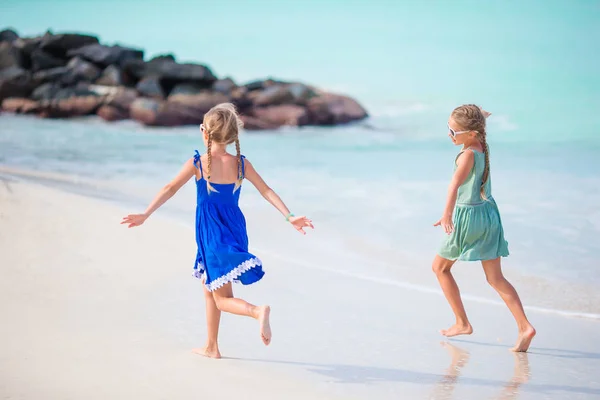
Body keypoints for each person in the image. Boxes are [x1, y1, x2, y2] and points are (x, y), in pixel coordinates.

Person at [121, 103, 314, 358]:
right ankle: (212, 347)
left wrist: (146, 213)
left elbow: (170, 188)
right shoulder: (241, 164)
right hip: (234, 229)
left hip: (212, 233)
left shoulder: (198, 163)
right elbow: (266, 190)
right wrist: (289, 216)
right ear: (233, 135)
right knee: (209, 286)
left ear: (205, 132)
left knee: (222, 298)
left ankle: (257, 311)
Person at [432, 104, 536, 352]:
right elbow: (477, 121)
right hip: (489, 214)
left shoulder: (467, 154)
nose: (449, 134)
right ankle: (525, 327)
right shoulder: (482, 145)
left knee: (440, 268)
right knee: (496, 278)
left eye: (453, 131)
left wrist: (446, 214)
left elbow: (454, 186)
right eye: (448, 128)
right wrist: (480, 114)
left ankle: (462, 322)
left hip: (468, 217)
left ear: (470, 133)